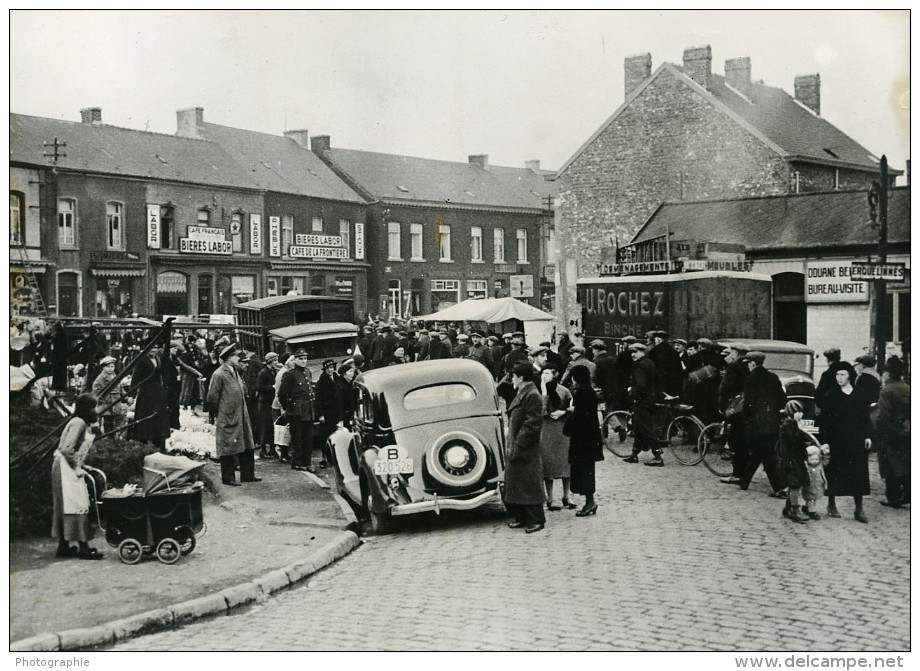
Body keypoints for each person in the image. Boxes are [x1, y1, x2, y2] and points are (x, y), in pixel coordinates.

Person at [50, 393, 103, 560]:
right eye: (94, 407)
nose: (97, 411)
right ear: (86, 409)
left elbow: (72, 449)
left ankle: (64, 546)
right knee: (77, 503)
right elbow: (66, 449)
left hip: (66, 465)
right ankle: (84, 548)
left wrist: (82, 465)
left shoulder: (80, 423)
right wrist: (76, 467)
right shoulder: (78, 423)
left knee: (69, 505)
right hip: (65, 467)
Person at [821, 362, 873, 523]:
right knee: (835, 470)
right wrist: (824, 441)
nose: (839, 378)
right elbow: (825, 420)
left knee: (858, 472)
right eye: (837, 375)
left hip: (856, 438)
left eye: (842, 375)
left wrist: (868, 436)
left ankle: (859, 509)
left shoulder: (860, 393)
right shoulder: (831, 394)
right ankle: (831, 504)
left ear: (849, 375)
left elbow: (865, 416)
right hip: (837, 439)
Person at [207, 343, 260, 486]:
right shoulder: (219, 374)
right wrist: (222, 411)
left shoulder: (235, 371)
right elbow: (212, 397)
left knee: (247, 443)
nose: (239, 358)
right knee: (228, 446)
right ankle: (228, 478)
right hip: (228, 415)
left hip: (241, 414)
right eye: (236, 356)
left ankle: (247, 474)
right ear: (229, 358)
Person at [734, 351, 787, 496]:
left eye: (748, 364)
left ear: (752, 363)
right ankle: (744, 481)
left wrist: (746, 418)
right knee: (760, 452)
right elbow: (782, 399)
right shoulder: (773, 377)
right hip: (771, 422)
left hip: (757, 423)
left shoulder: (751, 378)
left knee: (766, 455)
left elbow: (749, 403)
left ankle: (779, 488)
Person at [503, 362, 546, 534]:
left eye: (513, 376)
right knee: (518, 484)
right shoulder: (524, 391)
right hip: (518, 445)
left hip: (526, 447)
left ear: (521, 378)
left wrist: (519, 445)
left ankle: (536, 519)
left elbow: (532, 424)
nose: (511, 379)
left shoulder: (532, 394)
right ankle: (522, 517)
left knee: (529, 484)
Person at [565, 364, 604, 516]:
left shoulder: (581, 393)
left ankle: (590, 502)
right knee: (587, 470)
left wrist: (570, 414)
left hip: (583, 439)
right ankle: (589, 501)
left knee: (585, 470)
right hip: (589, 438)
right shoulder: (589, 392)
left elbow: (580, 416)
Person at [538, 364, 574, 512]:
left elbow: (573, 407)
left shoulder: (564, 390)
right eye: (543, 373)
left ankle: (567, 496)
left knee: (566, 464)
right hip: (546, 429)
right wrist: (545, 393)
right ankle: (550, 499)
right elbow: (540, 411)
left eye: (547, 373)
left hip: (562, 430)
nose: (544, 376)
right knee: (549, 465)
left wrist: (563, 412)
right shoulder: (538, 391)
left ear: (555, 375)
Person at [875, 357, 910, 508]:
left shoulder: (887, 390)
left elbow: (883, 416)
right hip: (906, 430)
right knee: (905, 462)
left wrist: (879, 430)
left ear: (888, 374)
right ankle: (908, 493)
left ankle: (894, 497)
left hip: (891, 432)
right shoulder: (908, 387)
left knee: (889, 464)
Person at [278, 347, 318, 472]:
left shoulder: (307, 372)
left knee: (309, 438)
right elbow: (282, 394)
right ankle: (297, 462)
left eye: (305, 359)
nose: (303, 361)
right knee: (297, 439)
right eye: (300, 359)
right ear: (295, 360)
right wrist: (288, 409)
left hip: (308, 410)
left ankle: (307, 462)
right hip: (296, 412)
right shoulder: (290, 375)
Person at [623, 342, 663, 466]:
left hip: (642, 401)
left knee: (646, 428)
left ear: (642, 352)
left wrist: (631, 392)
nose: (633, 355)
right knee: (639, 428)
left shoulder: (639, 366)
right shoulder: (649, 363)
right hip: (650, 399)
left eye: (635, 352)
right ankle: (634, 454)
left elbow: (640, 384)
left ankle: (658, 456)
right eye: (631, 353)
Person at [775, 400, 814, 524]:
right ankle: (795, 510)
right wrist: (800, 430)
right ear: (791, 413)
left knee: (796, 483)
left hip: (797, 458)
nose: (800, 415)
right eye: (797, 412)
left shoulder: (794, 423)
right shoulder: (787, 425)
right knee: (794, 484)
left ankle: (788, 507)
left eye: (801, 412)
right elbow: (792, 439)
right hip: (790, 460)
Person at [717, 344, 750, 485]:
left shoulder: (733, 368)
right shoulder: (749, 366)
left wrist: (721, 406)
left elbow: (725, 388)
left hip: (736, 408)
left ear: (736, 353)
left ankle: (738, 474)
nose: (728, 356)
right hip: (748, 408)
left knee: (736, 441)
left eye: (730, 353)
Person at [130, 341, 169, 452]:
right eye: (151, 348)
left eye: (155, 347)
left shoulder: (157, 359)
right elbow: (136, 378)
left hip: (157, 392)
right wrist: (132, 395)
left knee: (158, 417)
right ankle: (144, 441)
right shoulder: (141, 361)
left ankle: (157, 442)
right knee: (145, 416)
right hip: (146, 393)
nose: (153, 350)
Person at [315, 359, 344, 468]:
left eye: (331, 368)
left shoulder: (337, 379)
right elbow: (318, 400)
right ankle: (324, 458)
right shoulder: (321, 382)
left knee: (337, 435)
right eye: (328, 368)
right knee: (325, 436)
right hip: (327, 413)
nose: (330, 370)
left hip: (336, 412)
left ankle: (335, 458)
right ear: (325, 370)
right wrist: (320, 414)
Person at [91, 355, 128, 437]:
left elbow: (120, 388)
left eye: (112, 366)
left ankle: (113, 436)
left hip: (115, 402)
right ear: (103, 368)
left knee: (114, 421)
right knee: (107, 421)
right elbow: (96, 390)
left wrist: (125, 398)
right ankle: (108, 436)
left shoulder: (115, 376)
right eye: (108, 366)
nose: (110, 368)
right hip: (106, 403)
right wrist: (100, 399)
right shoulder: (100, 378)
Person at [255, 352, 281, 459]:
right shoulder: (263, 373)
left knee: (272, 427)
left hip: (271, 402)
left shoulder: (273, 372)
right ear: (269, 361)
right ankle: (263, 450)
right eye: (274, 360)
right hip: (264, 403)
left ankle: (272, 449)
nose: (276, 362)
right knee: (265, 427)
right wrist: (272, 387)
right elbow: (259, 387)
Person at [647, 331, 683, 398]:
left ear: (658, 339)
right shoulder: (674, 352)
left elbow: (651, 369)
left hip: (658, 385)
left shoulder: (653, 351)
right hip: (672, 385)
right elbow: (679, 371)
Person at [590, 339, 618, 415]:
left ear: (597, 350)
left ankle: (606, 426)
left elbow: (595, 378)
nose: (593, 352)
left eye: (593, 350)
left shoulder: (596, 362)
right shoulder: (611, 359)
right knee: (609, 412)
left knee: (600, 412)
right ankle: (616, 426)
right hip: (612, 390)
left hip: (601, 391)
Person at [802, 445, 829, 521]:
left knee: (813, 499)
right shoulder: (807, 467)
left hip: (817, 485)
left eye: (816, 459)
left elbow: (826, 462)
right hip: (809, 485)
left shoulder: (819, 465)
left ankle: (806, 507)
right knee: (811, 499)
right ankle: (812, 511)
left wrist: (826, 454)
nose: (815, 461)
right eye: (812, 459)